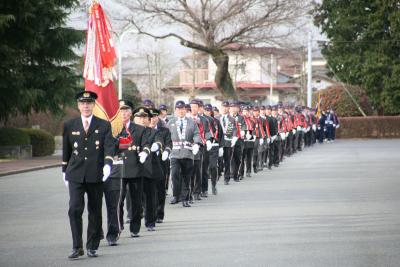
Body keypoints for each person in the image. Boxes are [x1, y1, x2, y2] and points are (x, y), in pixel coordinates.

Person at [62, 90, 114, 259]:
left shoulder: (104, 125)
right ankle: (77, 246)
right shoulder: (70, 125)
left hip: (95, 173)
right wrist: (64, 170)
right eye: (82, 103)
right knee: (74, 209)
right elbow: (66, 150)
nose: (86, 106)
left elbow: (109, 147)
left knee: (94, 210)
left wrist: (107, 164)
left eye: (89, 103)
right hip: (75, 173)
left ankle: (92, 245)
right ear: (78, 105)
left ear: (93, 105)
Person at [118, 106, 151, 238]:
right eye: (121, 111)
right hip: (119, 168)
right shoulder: (113, 128)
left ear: (131, 114)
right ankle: (118, 226)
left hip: (135, 168)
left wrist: (145, 152)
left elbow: (146, 144)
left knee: (136, 200)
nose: (124, 114)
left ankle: (135, 227)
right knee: (118, 201)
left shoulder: (139, 129)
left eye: (126, 111)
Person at [103, 99, 132, 246]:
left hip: (114, 167)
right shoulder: (96, 124)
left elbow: (125, 144)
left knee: (113, 203)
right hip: (95, 169)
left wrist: (111, 139)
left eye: (123, 110)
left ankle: (113, 233)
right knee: (94, 205)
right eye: (119, 109)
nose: (121, 112)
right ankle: (96, 231)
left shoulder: (121, 128)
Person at [168, 100, 202, 207]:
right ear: (175, 110)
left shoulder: (192, 122)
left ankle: (185, 198)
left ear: (185, 110)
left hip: (187, 153)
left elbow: (196, 134)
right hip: (174, 153)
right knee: (174, 174)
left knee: (187, 177)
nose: (180, 111)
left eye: (182, 109)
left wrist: (197, 143)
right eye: (178, 109)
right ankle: (175, 195)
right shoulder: (170, 122)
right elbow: (166, 136)